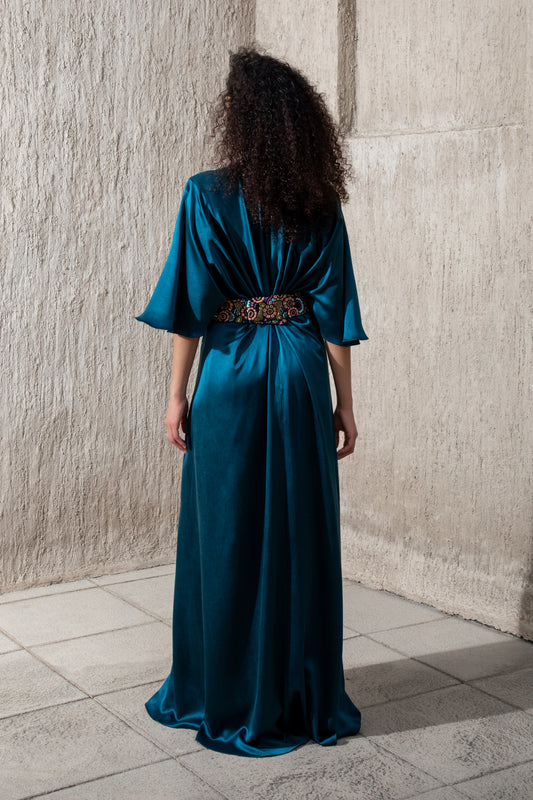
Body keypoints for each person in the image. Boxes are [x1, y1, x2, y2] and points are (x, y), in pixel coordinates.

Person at [135, 44, 369, 758]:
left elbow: (191, 308)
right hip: (298, 371)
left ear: (239, 119)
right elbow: (334, 315)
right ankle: (298, 695)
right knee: (299, 532)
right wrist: (345, 402)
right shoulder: (318, 202)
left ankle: (222, 691)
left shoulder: (204, 194)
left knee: (226, 531)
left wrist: (176, 396)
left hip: (230, 374)